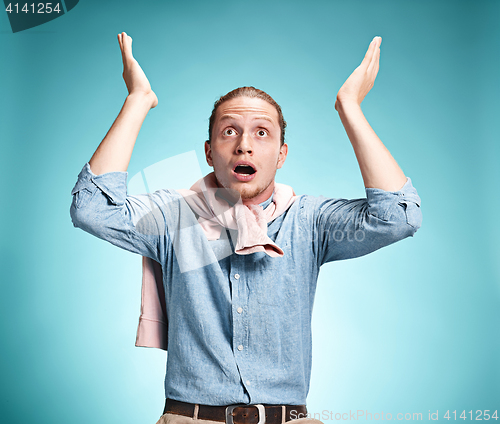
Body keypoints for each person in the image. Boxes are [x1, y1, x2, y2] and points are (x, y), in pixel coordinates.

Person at [70, 32, 422, 424]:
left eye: (261, 132)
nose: (244, 146)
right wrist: (138, 101)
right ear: (209, 151)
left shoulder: (309, 222)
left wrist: (349, 107)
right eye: (229, 131)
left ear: (281, 155)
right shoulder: (174, 217)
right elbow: (93, 209)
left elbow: (398, 217)